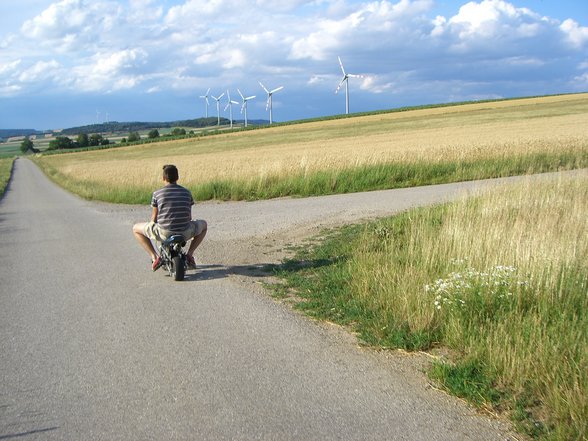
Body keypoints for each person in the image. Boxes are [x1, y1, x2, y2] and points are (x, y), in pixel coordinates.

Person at [133, 164, 207, 271]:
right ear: (177, 177)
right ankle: (189, 254)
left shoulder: (157, 194)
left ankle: (154, 257)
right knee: (204, 225)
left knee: (136, 229)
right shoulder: (187, 193)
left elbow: (154, 218)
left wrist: (154, 225)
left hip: (164, 232)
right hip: (185, 231)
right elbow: (189, 216)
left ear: (163, 178)